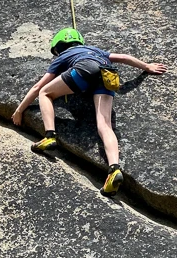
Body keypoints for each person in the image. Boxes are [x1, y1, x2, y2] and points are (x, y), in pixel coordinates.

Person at [11, 28, 167, 195]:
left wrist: (19, 110)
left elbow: (37, 87)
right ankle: (114, 169)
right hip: (108, 73)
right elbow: (122, 57)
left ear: (58, 47)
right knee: (105, 125)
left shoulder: (63, 56)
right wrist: (147, 66)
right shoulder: (95, 50)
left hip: (84, 70)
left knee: (45, 93)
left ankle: (50, 136)